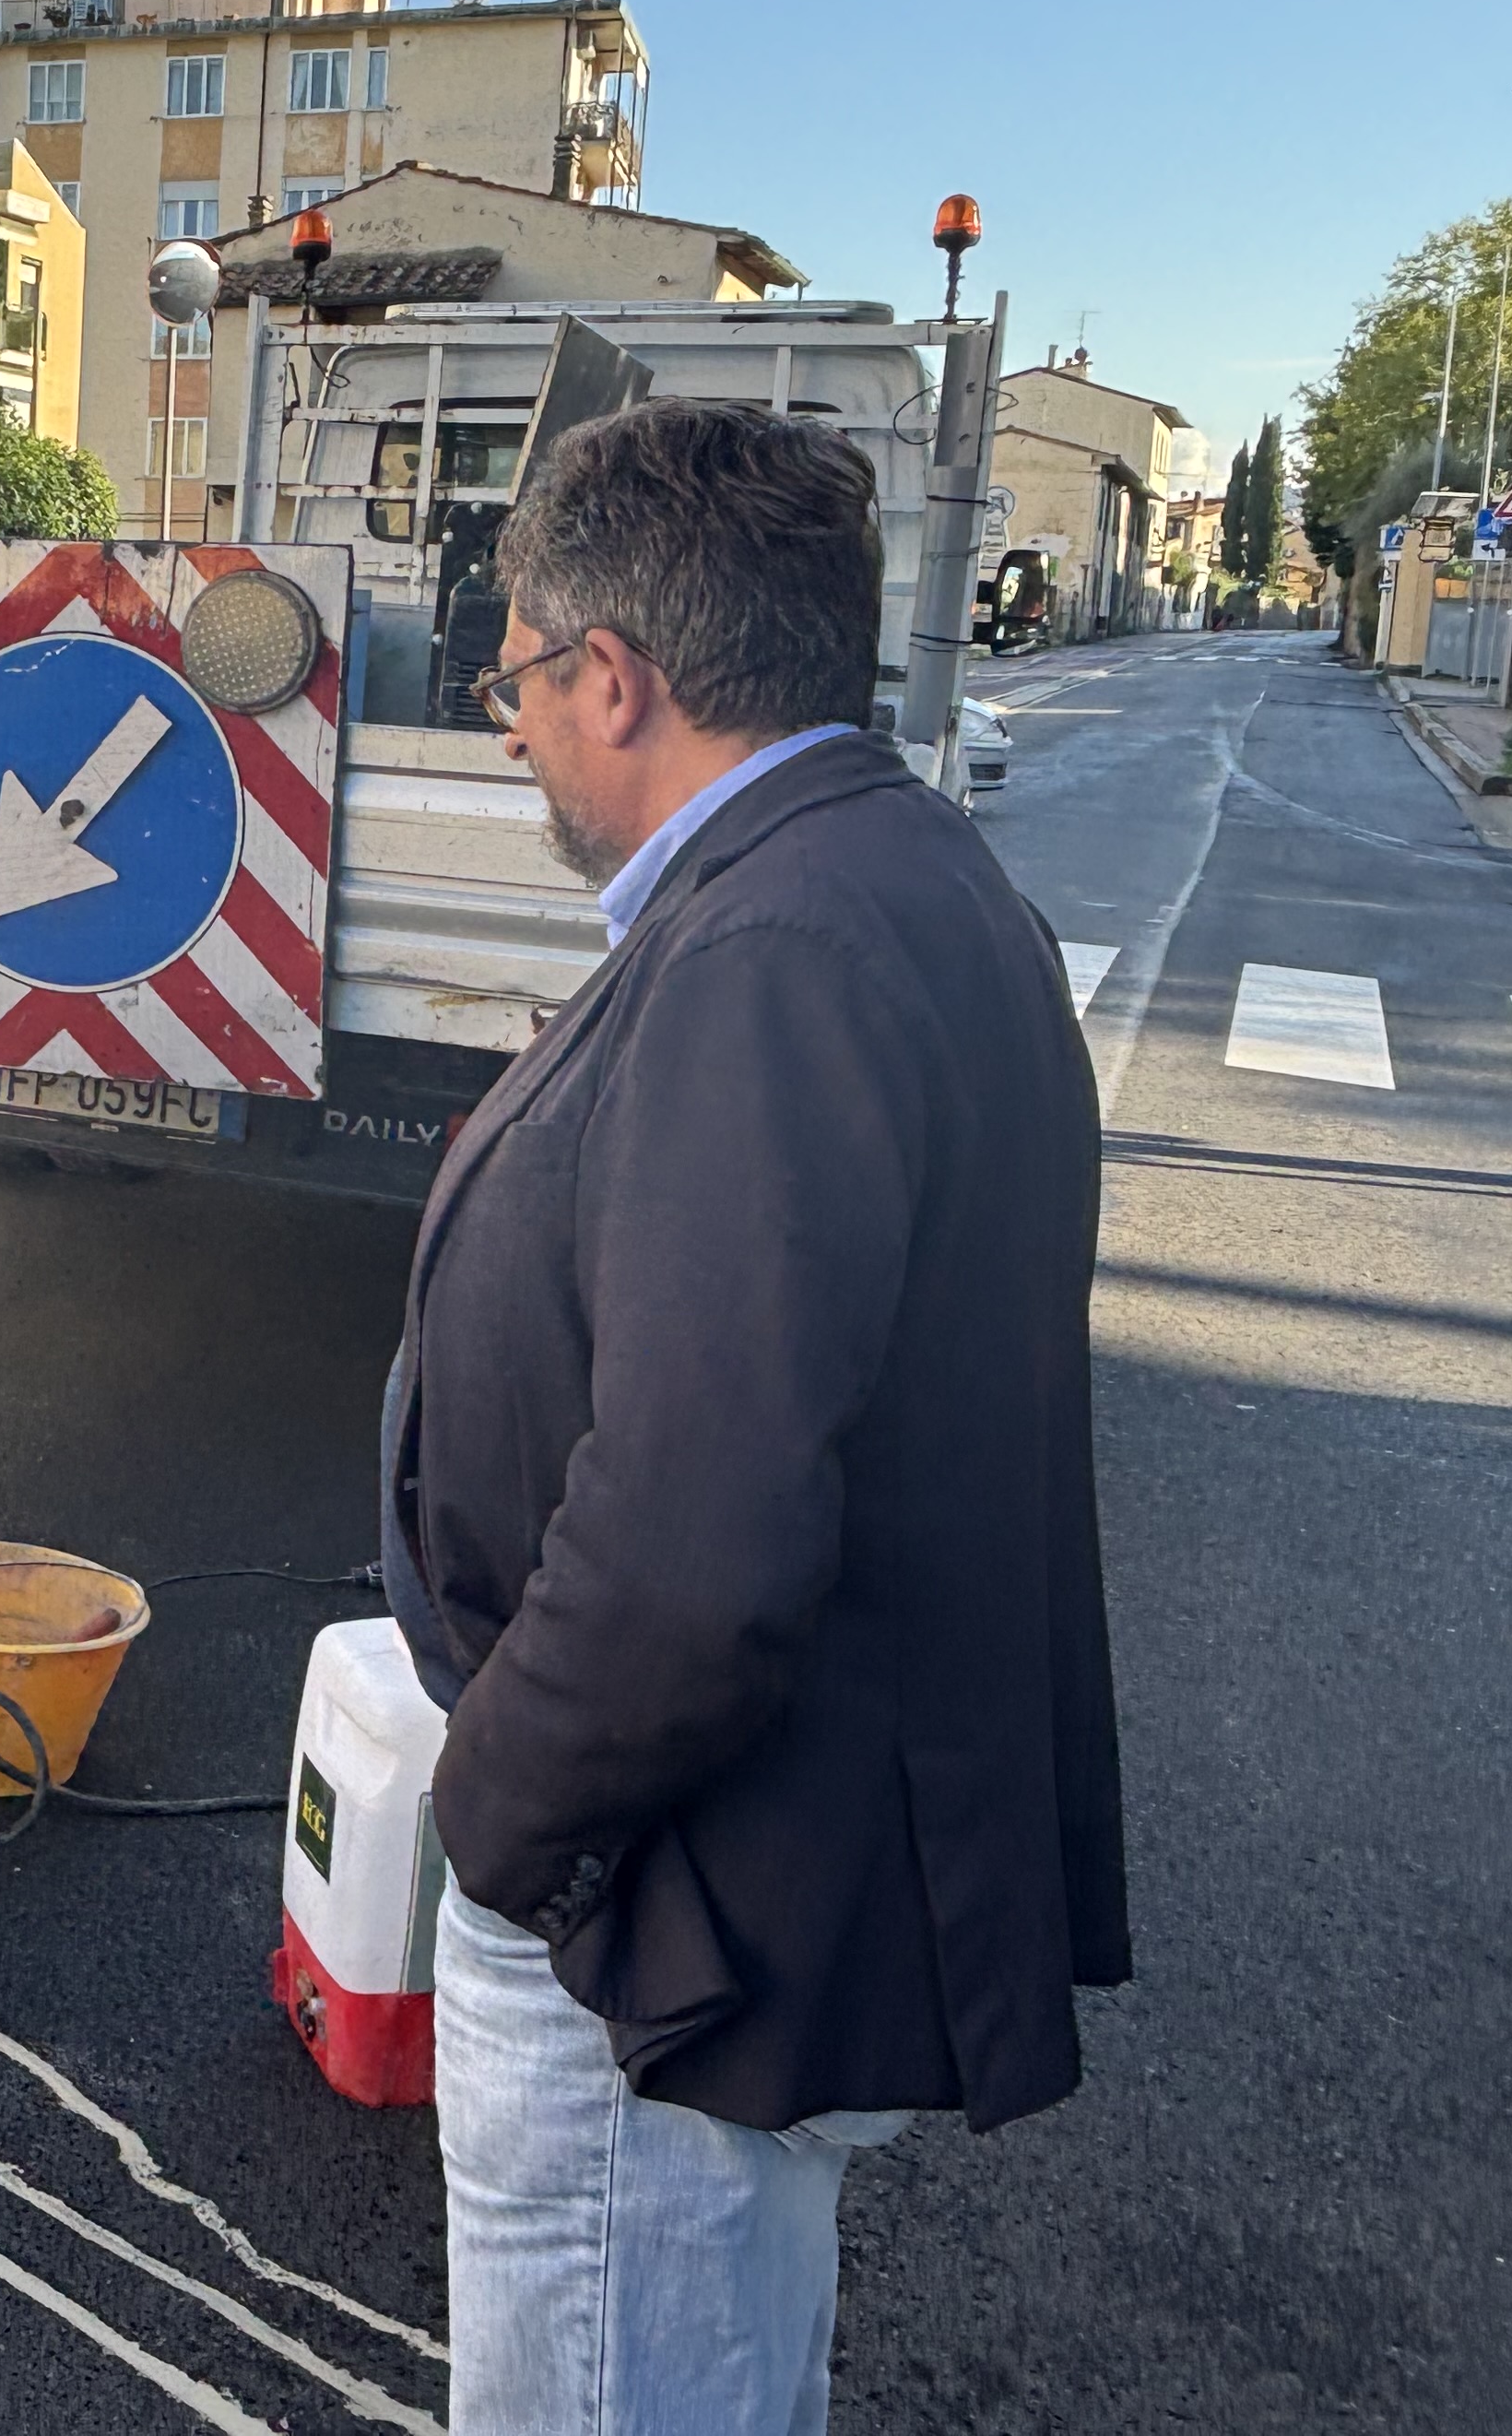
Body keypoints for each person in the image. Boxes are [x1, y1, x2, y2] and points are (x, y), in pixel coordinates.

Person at [386, 397, 1122, 2433]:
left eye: (524, 673)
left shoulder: (777, 948)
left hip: (670, 1926)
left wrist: (497, 1821)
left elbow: (697, 1539)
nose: (515, 719)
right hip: (735, 1873)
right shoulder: (875, 881)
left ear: (613, 676)